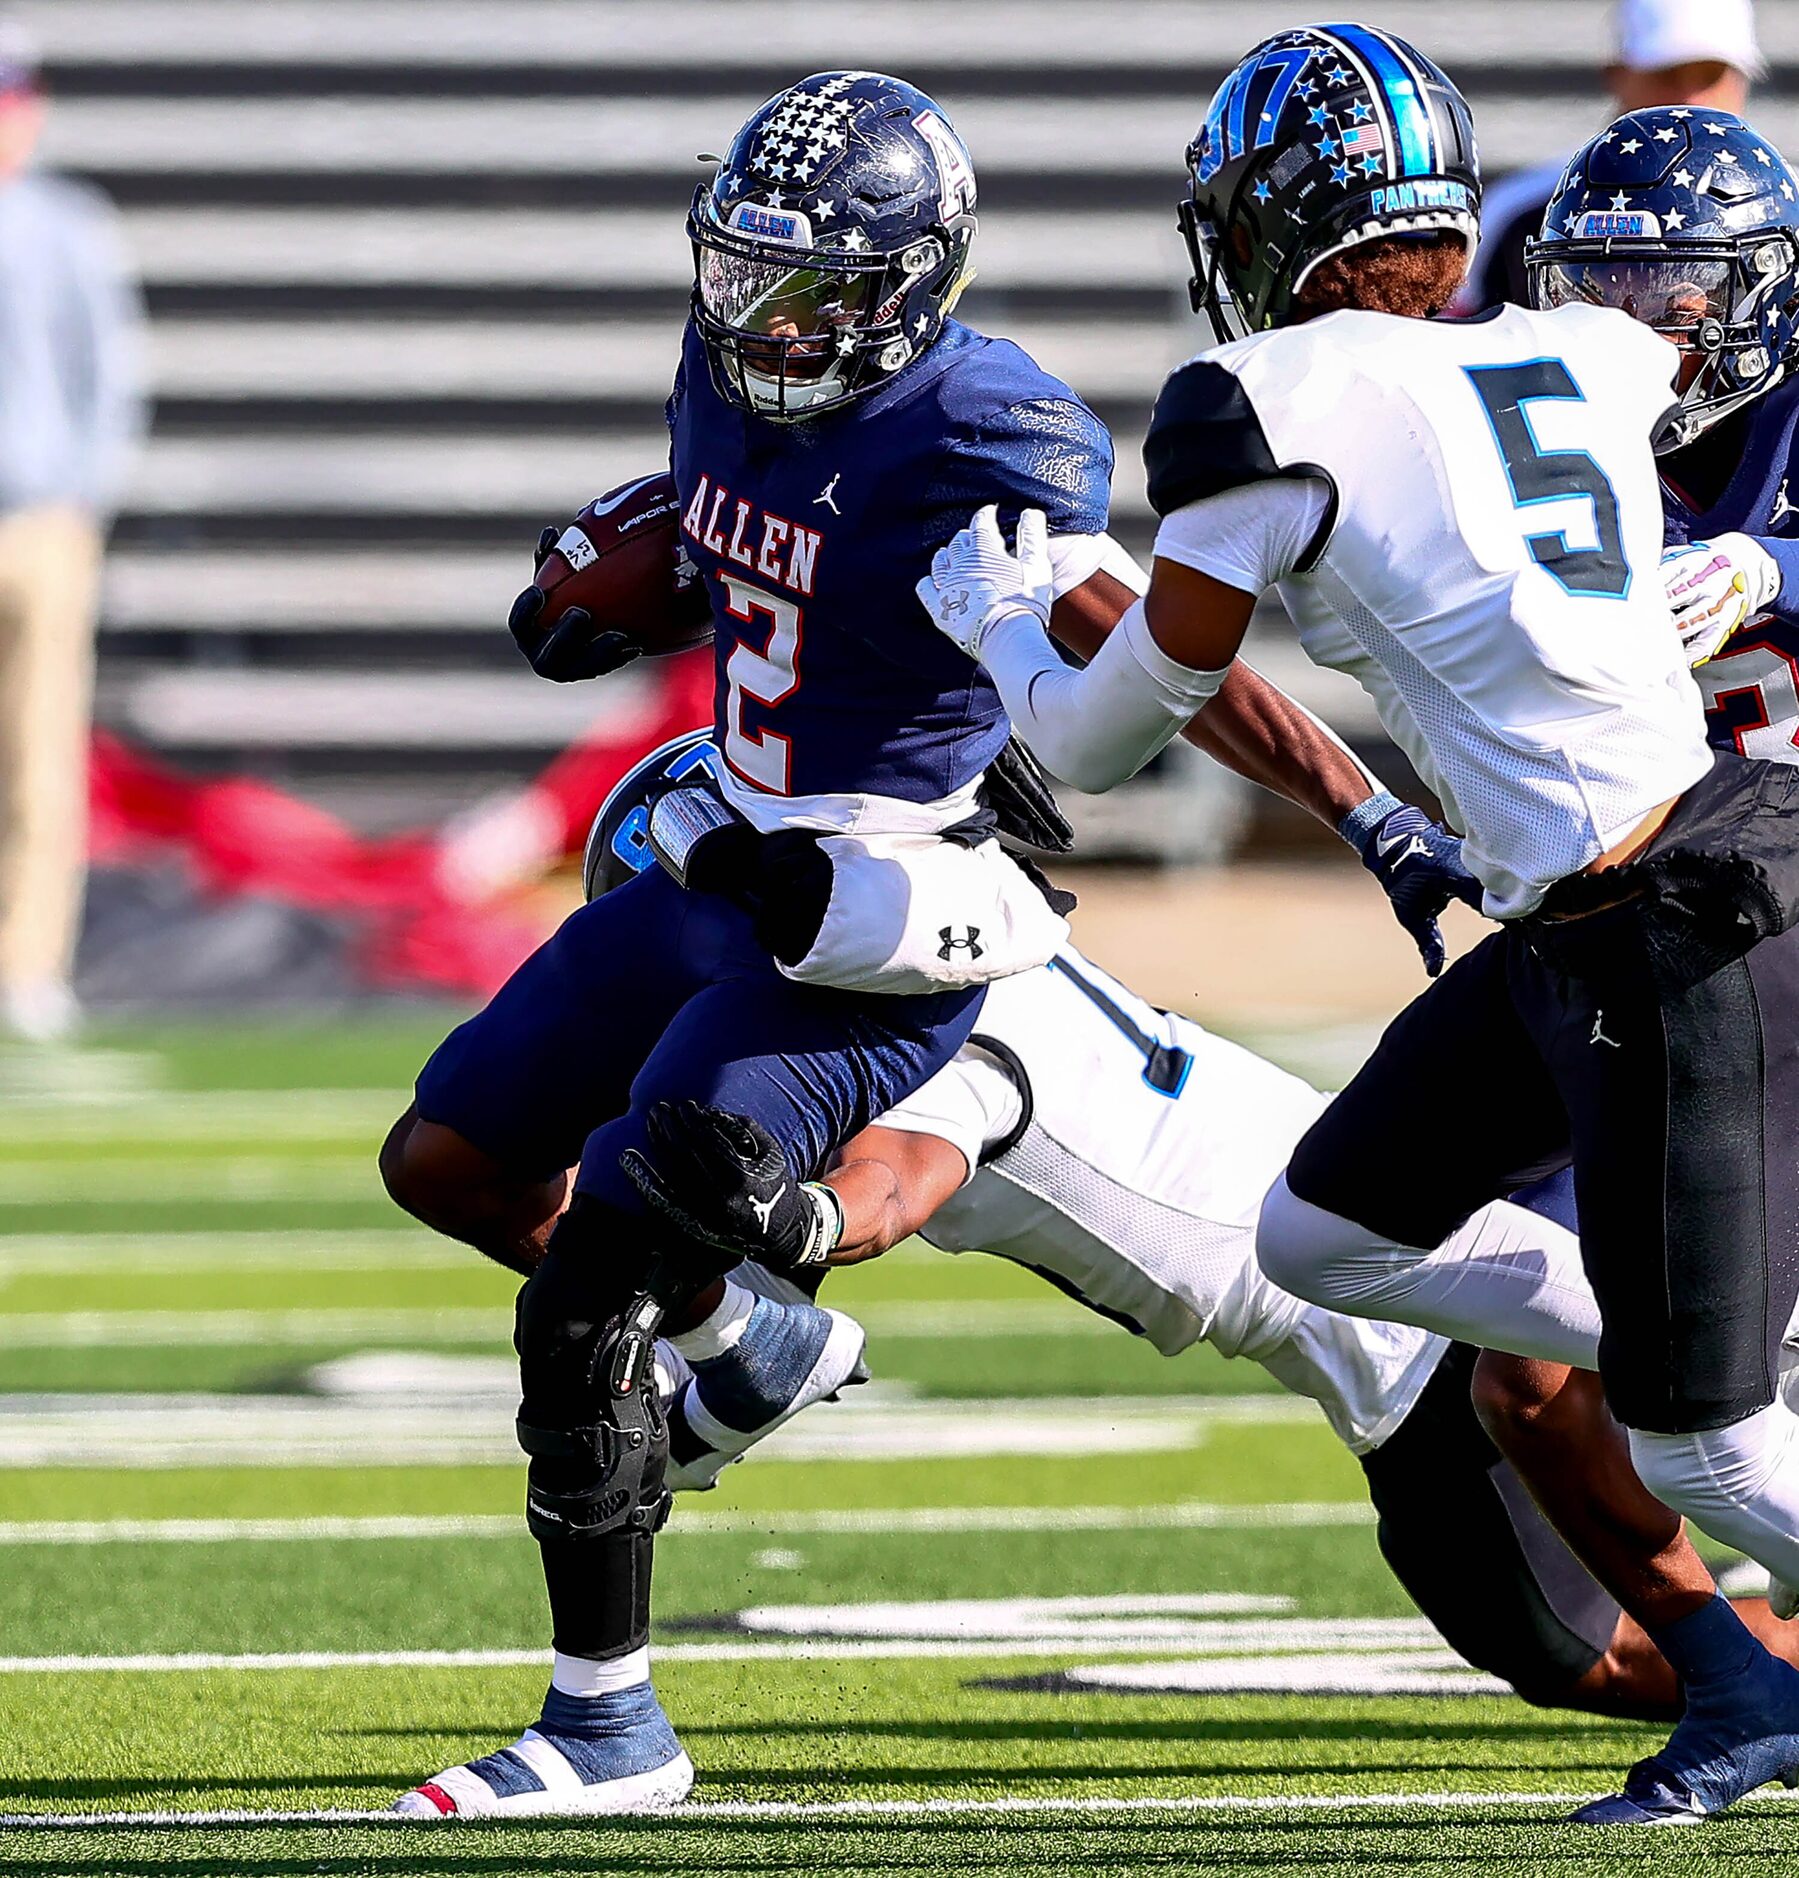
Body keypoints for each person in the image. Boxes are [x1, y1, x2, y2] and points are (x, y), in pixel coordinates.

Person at [380, 72, 1446, 1820]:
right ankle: (754, 1334)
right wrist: (642, 564)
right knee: (444, 1157)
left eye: (805, 292)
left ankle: (607, 1725)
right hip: (719, 849)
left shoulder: (983, 431)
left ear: (910, 286)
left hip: (867, 925)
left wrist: (1363, 807)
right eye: (742, 276)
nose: (762, 320)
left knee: (588, 1292)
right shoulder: (725, 364)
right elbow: (752, 546)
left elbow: (1142, 654)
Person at [914, 23, 1799, 1825]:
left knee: (1695, 1437)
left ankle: (1715, 1374)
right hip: (1586, 916)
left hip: (1679, 913)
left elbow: (1094, 734)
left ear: (1256, 220)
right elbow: (1694, 334)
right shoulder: (1583, 342)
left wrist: (1000, 620)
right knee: (1322, 1226)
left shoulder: (1258, 399)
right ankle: (1702, 1336)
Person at [586, 734, 1799, 1730]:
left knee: (1599, 1652)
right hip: (1446, 1230)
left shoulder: (917, 1047)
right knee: (1709, 1445)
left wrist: (800, 1217)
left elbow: (901, 1172)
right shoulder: (979, 939)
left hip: (1412, 1339)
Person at [0, 21, 146, 1042]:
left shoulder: (66, 222)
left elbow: (111, 373)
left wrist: (84, 499)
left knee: (40, 750)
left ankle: (26, 963)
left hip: (42, 520)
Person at [1459, 0, 1761, 311]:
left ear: (1743, 80)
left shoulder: (1787, 213)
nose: (1690, 99)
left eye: (1711, 76)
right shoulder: (1520, 212)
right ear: (1616, 75)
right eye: (1668, 75)